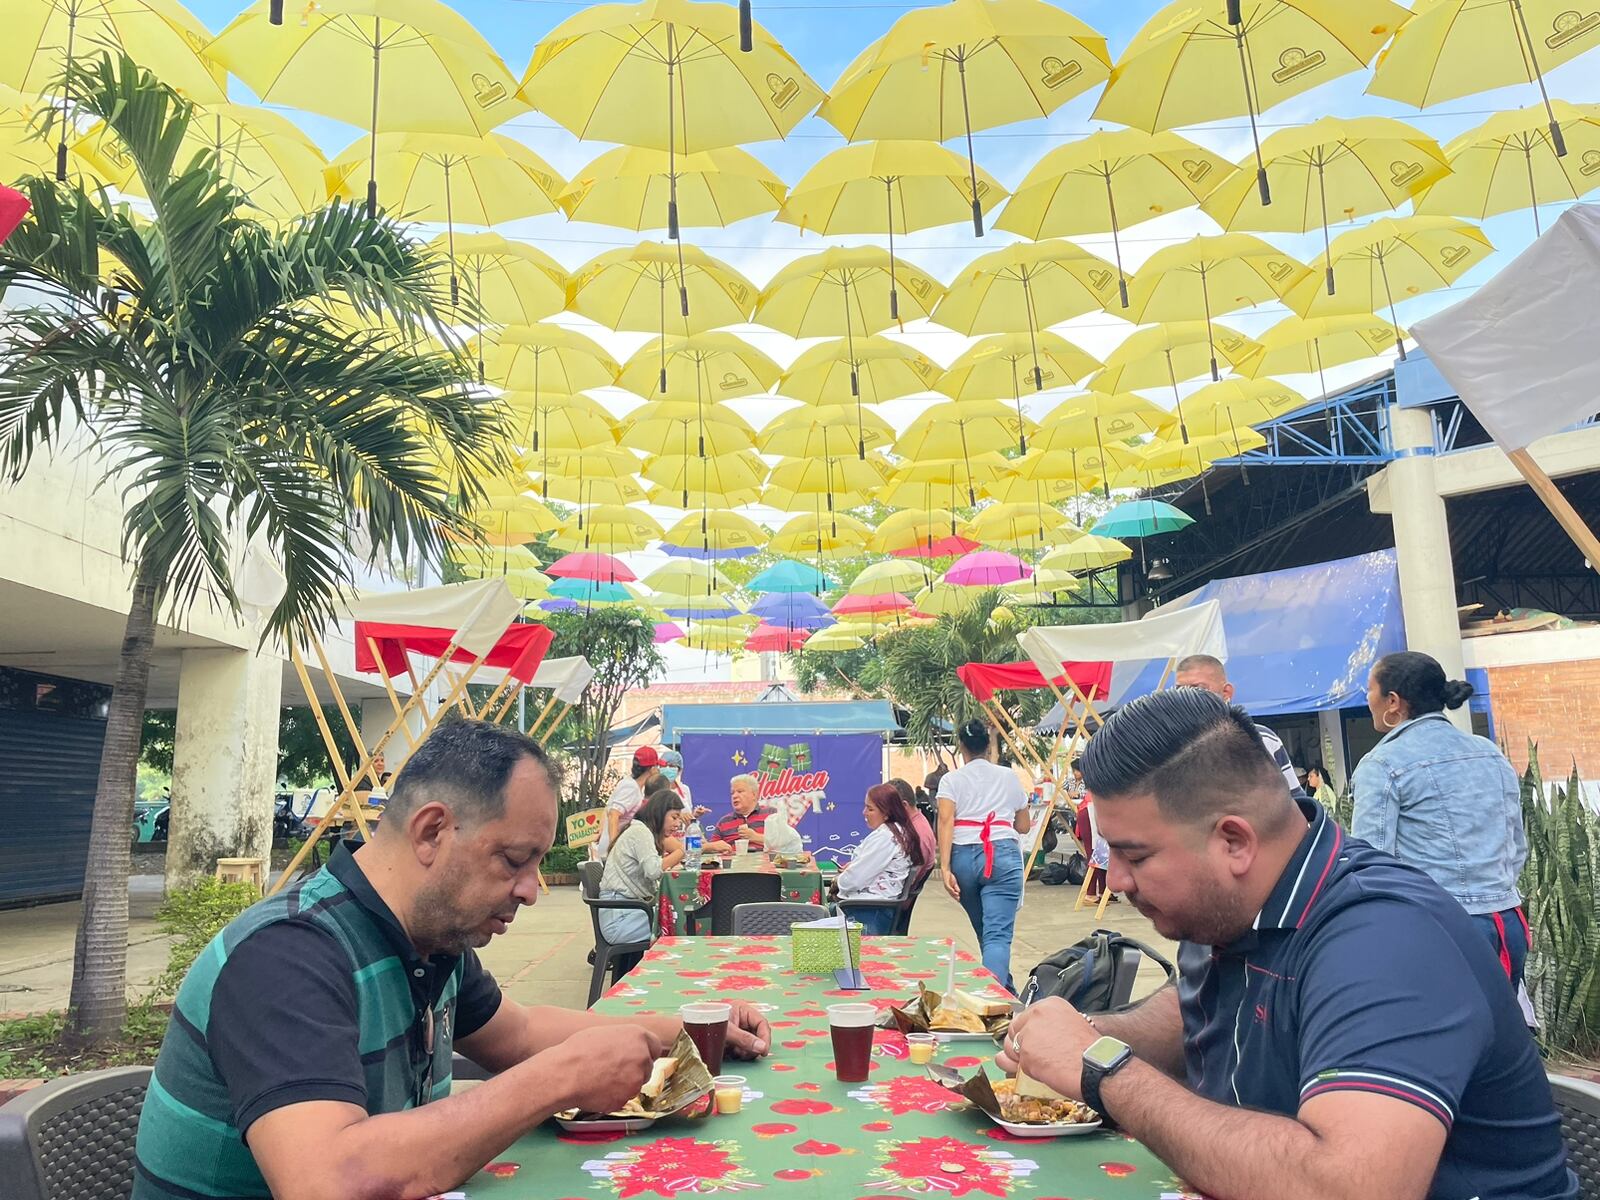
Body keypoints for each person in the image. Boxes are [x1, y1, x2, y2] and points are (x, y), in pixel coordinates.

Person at [131, 720, 771, 1200]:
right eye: (514, 860)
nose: (531, 890)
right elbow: (330, 1181)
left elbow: (519, 1033)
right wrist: (559, 1078)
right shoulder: (287, 954)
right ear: (432, 831)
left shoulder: (429, 939)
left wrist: (686, 1028)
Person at [994, 688, 1574, 1200]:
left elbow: (1348, 1186)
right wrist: (1086, 1035)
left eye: (1135, 855)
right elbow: (1199, 1010)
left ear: (1234, 842)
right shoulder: (1226, 908)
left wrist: (1103, 1069)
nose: (1116, 880)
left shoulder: (1383, 939)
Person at [1351, 651, 1531, 991]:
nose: (1367, 698)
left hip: (1439, 929)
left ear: (1393, 702)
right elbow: (1517, 846)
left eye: (1370, 690)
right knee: (1502, 1023)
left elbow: (1372, 865)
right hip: (1507, 926)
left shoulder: (1383, 763)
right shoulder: (1489, 752)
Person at [937, 720, 1031, 993]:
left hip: (963, 858)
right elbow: (1024, 825)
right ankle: (994, 1000)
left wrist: (945, 868)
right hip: (1002, 855)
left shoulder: (951, 780)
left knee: (987, 935)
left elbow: (945, 821)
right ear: (988, 745)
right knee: (996, 937)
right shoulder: (1008, 777)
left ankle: (1005, 990)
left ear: (961, 746)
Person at [1174, 654, 1306, 799]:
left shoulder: (1261, 740)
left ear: (1226, 692)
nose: (1186, 697)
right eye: (1179, 690)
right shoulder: (1168, 746)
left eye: (1198, 689)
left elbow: (1298, 801)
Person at [598, 790, 685, 957]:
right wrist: (683, 850)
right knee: (677, 921)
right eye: (674, 817)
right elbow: (653, 871)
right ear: (660, 813)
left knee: (675, 917)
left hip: (628, 912)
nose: (677, 824)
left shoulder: (640, 830)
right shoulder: (640, 832)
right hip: (620, 920)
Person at [834, 784, 926, 934]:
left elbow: (853, 880)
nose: (864, 812)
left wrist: (837, 881)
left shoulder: (885, 837)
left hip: (868, 912)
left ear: (887, 813)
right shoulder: (897, 832)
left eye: (870, 809)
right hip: (875, 909)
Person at [596, 746, 660, 859]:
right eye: (657, 766)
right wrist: (614, 848)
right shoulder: (631, 788)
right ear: (652, 769)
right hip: (614, 851)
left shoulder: (629, 784)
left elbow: (607, 809)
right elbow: (613, 814)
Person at [705, 773, 774, 853]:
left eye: (740, 791)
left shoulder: (771, 814)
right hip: (734, 859)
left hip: (765, 859)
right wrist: (712, 847)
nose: (734, 796)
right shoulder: (724, 822)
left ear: (754, 795)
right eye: (732, 793)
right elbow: (712, 848)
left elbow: (784, 843)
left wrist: (756, 837)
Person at [890, 777, 937, 874]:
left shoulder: (916, 835)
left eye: (886, 806)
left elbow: (906, 878)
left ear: (904, 805)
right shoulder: (916, 824)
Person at [658, 747, 709, 819]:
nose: (667, 769)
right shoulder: (655, 790)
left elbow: (688, 818)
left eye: (671, 766)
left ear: (679, 770)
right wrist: (678, 815)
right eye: (664, 766)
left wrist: (694, 815)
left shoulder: (684, 789)